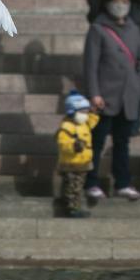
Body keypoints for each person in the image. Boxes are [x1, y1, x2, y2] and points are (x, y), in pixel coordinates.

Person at [83, 0, 140, 202]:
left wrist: (138, 83)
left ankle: (123, 182)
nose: (122, 4)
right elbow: (90, 65)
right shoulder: (98, 29)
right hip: (105, 97)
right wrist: (94, 93)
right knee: (97, 141)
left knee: (122, 143)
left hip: (128, 97)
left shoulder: (134, 28)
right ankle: (90, 182)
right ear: (108, 1)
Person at [56, 90, 100, 218]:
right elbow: (63, 143)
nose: (85, 115)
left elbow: (92, 121)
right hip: (71, 163)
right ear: (72, 111)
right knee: (73, 187)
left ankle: (73, 206)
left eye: (86, 112)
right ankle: (72, 209)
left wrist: (94, 111)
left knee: (77, 187)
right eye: (82, 112)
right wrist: (74, 146)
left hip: (83, 163)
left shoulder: (84, 124)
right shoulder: (67, 126)